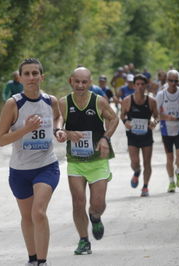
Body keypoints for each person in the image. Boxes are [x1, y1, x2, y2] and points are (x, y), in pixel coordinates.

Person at [0, 58, 67, 266]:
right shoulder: (13, 104)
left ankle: (43, 262)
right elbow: (0, 140)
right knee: (27, 216)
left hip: (46, 166)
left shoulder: (50, 101)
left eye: (35, 73)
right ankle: (33, 258)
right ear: (19, 78)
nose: (31, 78)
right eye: (26, 74)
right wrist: (26, 130)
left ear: (41, 77)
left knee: (38, 212)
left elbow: (58, 118)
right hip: (19, 170)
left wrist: (58, 129)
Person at [59, 67, 119, 255]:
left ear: (90, 83)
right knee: (78, 201)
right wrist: (64, 133)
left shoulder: (99, 101)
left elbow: (114, 119)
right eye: (77, 81)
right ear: (71, 81)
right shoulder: (63, 103)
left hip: (98, 160)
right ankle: (84, 240)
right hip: (75, 160)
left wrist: (105, 138)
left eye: (84, 82)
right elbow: (58, 125)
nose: (80, 85)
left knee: (98, 204)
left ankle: (95, 217)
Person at [120, 74, 159, 196]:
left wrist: (154, 122)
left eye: (143, 84)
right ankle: (137, 172)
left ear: (146, 86)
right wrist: (126, 122)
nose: (140, 87)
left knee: (147, 162)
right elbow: (122, 115)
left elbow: (157, 116)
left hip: (146, 135)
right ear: (133, 86)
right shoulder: (127, 100)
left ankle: (145, 187)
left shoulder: (151, 101)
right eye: (138, 84)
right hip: (132, 135)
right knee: (135, 162)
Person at [156, 69, 179, 193]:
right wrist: (166, 117)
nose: (173, 83)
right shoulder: (161, 95)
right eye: (171, 81)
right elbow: (155, 113)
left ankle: (178, 171)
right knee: (169, 158)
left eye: (176, 81)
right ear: (167, 81)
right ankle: (171, 182)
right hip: (166, 129)